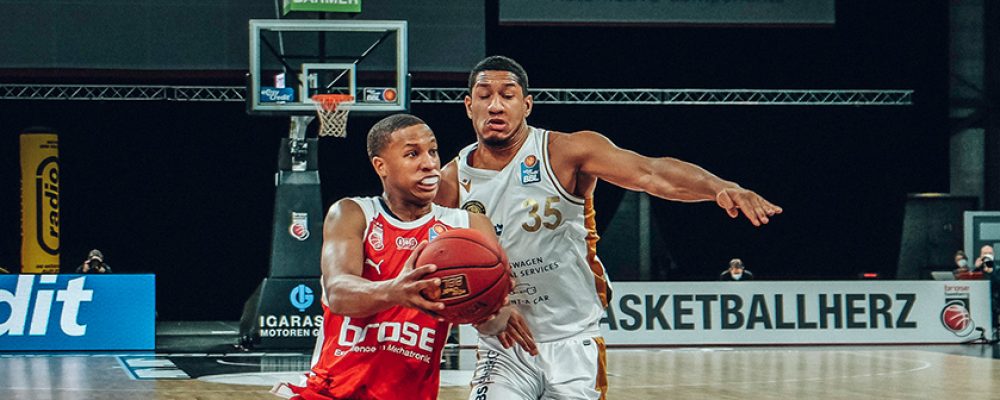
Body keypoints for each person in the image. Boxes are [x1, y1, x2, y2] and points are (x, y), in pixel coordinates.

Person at [435, 55, 782, 400]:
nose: (495, 105)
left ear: (526, 105)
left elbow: (651, 173)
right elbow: (435, 271)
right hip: (502, 344)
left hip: (572, 341)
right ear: (468, 106)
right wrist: (484, 313)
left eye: (507, 95)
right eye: (484, 96)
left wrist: (720, 187)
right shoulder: (449, 182)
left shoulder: (565, 152)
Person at [274, 114, 500, 400]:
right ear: (380, 165)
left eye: (432, 151)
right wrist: (395, 291)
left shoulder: (468, 225)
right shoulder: (353, 213)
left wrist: (496, 306)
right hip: (332, 392)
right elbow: (339, 294)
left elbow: (491, 320)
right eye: (412, 154)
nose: (429, 163)